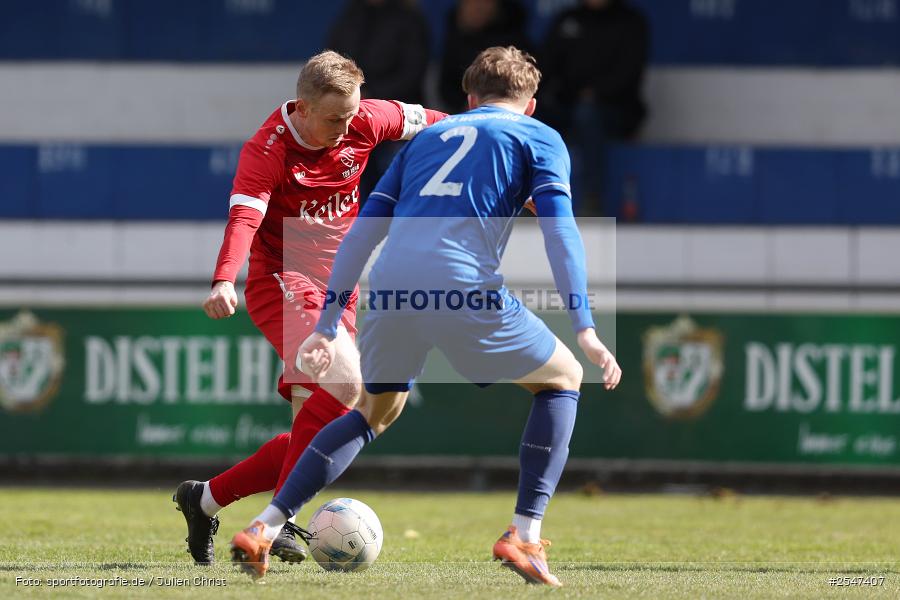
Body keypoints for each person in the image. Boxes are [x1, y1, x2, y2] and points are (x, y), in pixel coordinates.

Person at [229, 46, 622, 586]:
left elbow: (363, 230)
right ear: (530, 105)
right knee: (564, 378)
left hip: (389, 285)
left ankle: (264, 527)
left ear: (468, 98)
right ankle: (524, 536)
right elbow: (561, 233)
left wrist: (327, 322)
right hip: (462, 285)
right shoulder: (541, 138)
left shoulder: (430, 139)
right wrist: (585, 327)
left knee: (373, 412)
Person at [173, 50, 445, 566]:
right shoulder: (267, 150)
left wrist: (496, 130)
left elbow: (436, 123)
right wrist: (223, 279)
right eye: (333, 119)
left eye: (351, 116)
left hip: (339, 285)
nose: (346, 129)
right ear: (301, 107)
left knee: (313, 433)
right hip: (285, 280)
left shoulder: (364, 117)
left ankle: (203, 499)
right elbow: (244, 220)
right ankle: (273, 521)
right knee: (352, 389)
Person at [539, 0, 648, 215]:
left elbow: (629, 73)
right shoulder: (567, 19)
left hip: (615, 108)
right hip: (567, 104)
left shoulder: (631, 22)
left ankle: (592, 198)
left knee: (587, 114)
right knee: (530, 112)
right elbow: (544, 68)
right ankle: (527, 196)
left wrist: (594, 94)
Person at [326, 0, 432, 201]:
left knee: (394, 187)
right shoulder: (350, 16)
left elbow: (412, 72)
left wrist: (371, 96)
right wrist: (351, 96)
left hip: (398, 120)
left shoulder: (409, 18)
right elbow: (332, 63)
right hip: (353, 118)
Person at [438, 0, 531, 112]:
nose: (477, 6)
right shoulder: (455, 34)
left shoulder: (515, 45)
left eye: (484, 2)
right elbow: (446, 85)